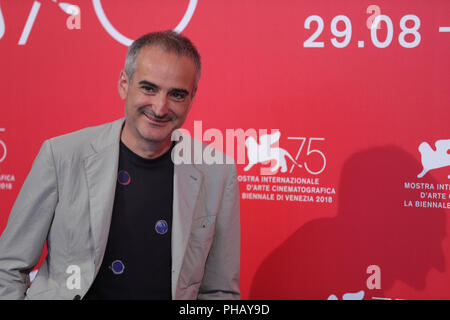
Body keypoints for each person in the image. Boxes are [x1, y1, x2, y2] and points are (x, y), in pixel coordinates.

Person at [0, 31, 240, 300]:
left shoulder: (217, 171)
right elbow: (8, 267)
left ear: (192, 98)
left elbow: (219, 291)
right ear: (124, 84)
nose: (160, 108)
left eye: (176, 94)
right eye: (149, 88)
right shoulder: (62, 155)